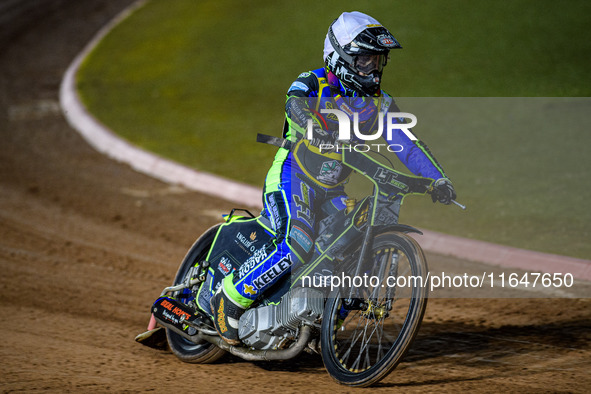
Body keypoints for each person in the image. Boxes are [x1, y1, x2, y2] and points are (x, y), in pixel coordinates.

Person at [210, 11, 456, 345]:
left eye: (378, 61)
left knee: (351, 248)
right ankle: (230, 299)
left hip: (333, 190)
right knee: (298, 243)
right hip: (292, 176)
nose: (373, 69)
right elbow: (294, 104)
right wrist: (311, 127)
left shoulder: (379, 104)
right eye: (365, 60)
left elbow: (407, 145)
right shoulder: (314, 81)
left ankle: (321, 325)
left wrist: (437, 179)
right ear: (340, 58)